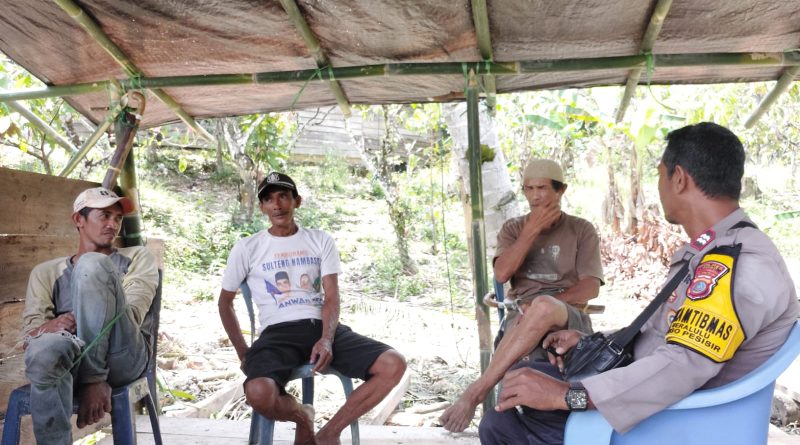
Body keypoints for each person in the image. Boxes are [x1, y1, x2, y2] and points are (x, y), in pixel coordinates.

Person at [481, 122, 800, 444]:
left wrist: (568, 396)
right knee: (520, 384)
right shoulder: (713, 248)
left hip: (675, 419)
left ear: (679, 179)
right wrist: (589, 341)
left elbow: (682, 366)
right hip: (652, 398)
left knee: (503, 422)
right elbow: (667, 336)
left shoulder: (738, 263)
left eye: (659, 175)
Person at [218, 171, 407, 445]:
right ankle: (302, 417)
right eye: (269, 199)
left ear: (297, 201)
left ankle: (329, 433)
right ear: (262, 207)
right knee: (258, 392)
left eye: (283, 196)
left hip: (322, 327)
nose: (277, 205)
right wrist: (243, 352)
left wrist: (327, 338)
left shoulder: (320, 240)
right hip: (277, 334)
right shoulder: (247, 247)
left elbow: (331, 296)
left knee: (393, 364)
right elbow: (225, 302)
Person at [440, 159, 604, 432]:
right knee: (513, 393)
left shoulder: (581, 229)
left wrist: (545, 306)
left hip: (568, 313)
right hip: (520, 315)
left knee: (543, 306)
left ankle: (477, 391)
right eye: (529, 188)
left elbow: (590, 288)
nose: (535, 196)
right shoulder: (513, 229)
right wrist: (531, 231)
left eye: (542, 188)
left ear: (561, 190)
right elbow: (502, 274)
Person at [21, 187, 158, 445]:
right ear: (79, 220)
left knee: (92, 264)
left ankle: (93, 378)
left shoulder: (137, 257)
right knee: (44, 352)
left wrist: (93, 378)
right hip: (71, 356)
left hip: (122, 355)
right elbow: (30, 336)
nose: (113, 225)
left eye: (117, 218)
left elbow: (132, 314)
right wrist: (53, 326)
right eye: (104, 216)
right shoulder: (46, 272)